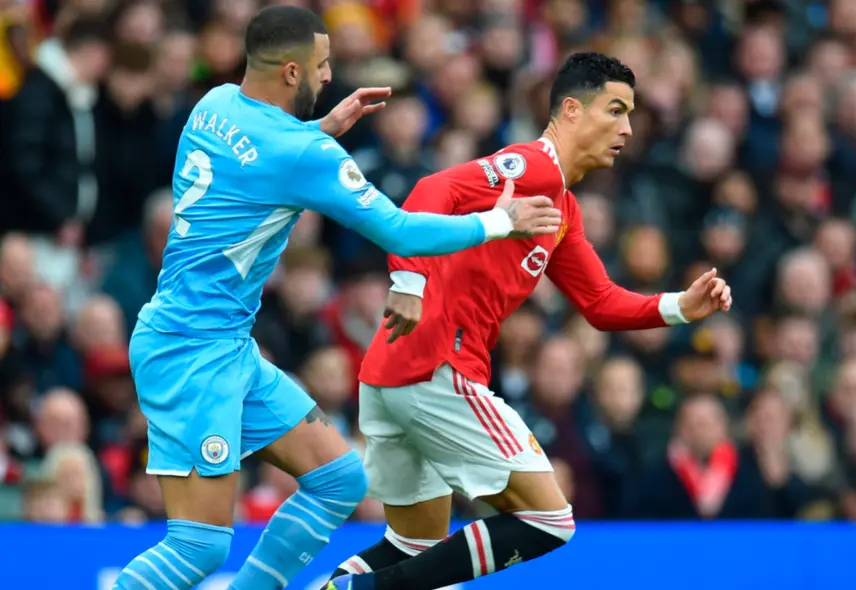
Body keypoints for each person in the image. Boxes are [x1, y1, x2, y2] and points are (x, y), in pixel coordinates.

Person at [112, 6, 561, 590]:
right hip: (191, 355)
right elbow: (401, 231)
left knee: (339, 479)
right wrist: (501, 221)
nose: (330, 77)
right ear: (292, 72)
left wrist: (318, 130)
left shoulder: (214, 105)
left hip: (220, 346)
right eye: (322, 66)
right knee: (199, 545)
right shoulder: (302, 155)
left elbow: (262, 160)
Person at [327, 52, 734, 590]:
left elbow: (600, 303)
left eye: (630, 115)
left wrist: (681, 305)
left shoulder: (562, 208)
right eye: (616, 110)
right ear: (572, 110)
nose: (628, 129)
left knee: (411, 546)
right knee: (549, 518)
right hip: (437, 366)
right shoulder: (530, 167)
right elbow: (431, 190)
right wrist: (408, 283)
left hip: (393, 373)